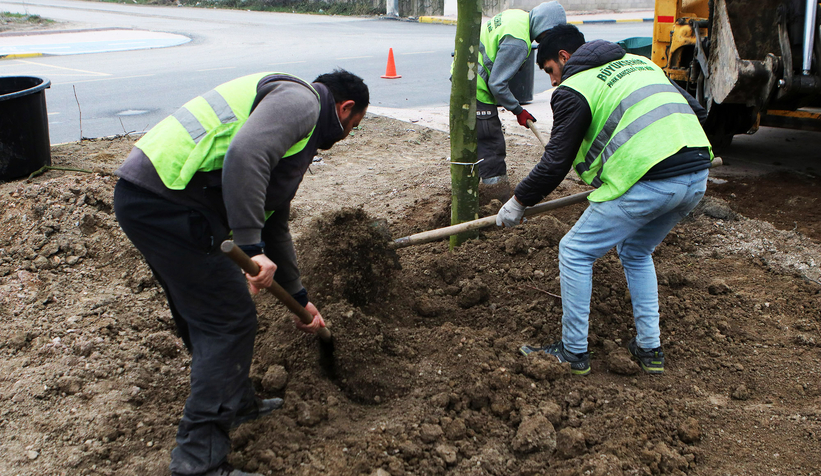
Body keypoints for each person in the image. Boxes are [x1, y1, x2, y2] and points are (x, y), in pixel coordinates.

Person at [113, 70, 368, 476]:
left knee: (207, 312)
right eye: (353, 126)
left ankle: (236, 404)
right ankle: (199, 462)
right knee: (227, 320)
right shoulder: (302, 102)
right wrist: (250, 247)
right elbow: (245, 155)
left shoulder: (293, 138)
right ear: (345, 108)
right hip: (167, 200)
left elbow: (274, 224)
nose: (348, 136)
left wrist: (300, 297)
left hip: (155, 198)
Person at [497, 24, 713, 375]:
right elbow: (699, 114)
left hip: (651, 181)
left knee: (575, 251)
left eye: (550, 70)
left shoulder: (574, 87)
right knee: (636, 251)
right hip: (696, 175)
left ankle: (573, 352)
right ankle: (649, 349)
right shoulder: (640, 63)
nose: (553, 81)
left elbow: (555, 163)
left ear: (564, 58)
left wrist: (518, 202)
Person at [475, 1, 566, 201]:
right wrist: (518, 110)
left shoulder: (516, 16)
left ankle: (471, 193)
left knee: (475, 143)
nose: (544, 44)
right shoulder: (519, 40)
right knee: (491, 145)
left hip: (467, 78)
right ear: (545, 29)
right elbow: (497, 84)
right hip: (476, 88)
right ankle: (495, 200)